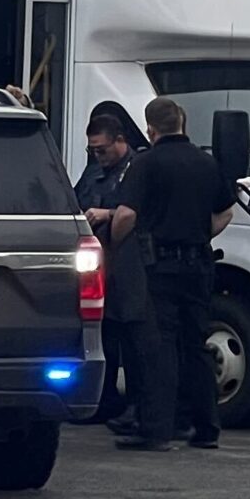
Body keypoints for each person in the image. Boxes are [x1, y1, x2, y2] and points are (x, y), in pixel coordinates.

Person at [111, 96, 235, 450]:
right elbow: (226, 211)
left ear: (151, 128)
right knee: (196, 345)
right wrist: (201, 232)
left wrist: (116, 244)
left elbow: (125, 215)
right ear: (181, 122)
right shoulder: (206, 163)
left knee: (159, 346)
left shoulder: (147, 164)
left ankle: (157, 429)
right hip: (199, 264)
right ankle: (207, 428)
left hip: (161, 266)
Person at [72, 102, 149, 426]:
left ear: (120, 141)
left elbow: (146, 214)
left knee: (132, 339)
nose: (98, 156)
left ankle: (136, 404)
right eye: (93, 151)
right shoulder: (95, 169)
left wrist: (109, 214)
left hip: (130, 266)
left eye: (102, 150)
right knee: (103, 336)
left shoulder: (139, 168)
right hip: (97, 266)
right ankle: (102, 399)